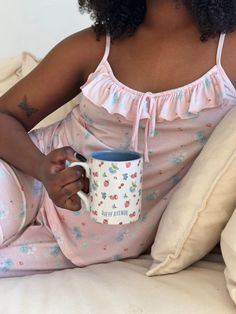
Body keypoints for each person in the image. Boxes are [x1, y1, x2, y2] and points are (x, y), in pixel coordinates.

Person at [0, 0, 236, 277]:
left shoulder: (229, 53)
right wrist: (42, 168)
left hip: (97, 238)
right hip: (26, 179)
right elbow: (5, 115)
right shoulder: (95, 45)